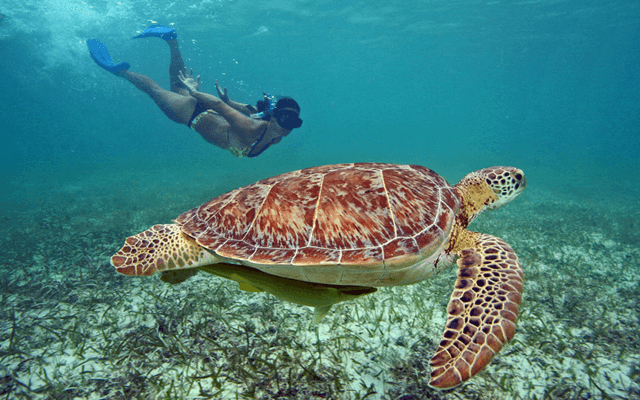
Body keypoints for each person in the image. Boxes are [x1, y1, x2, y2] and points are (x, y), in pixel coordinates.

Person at [87, 25, 303, 158]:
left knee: (176, 86)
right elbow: (219, 106)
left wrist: (229, 100)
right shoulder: (251, 127)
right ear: (275, 116)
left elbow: (249, 108)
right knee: (153, 89)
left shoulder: (274, 134)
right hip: (190, 114)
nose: (287, 127)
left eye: (293, 122)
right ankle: (120, 72)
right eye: (284, 119)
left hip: (200, 111)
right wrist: (194, 92)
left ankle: (171, 39)